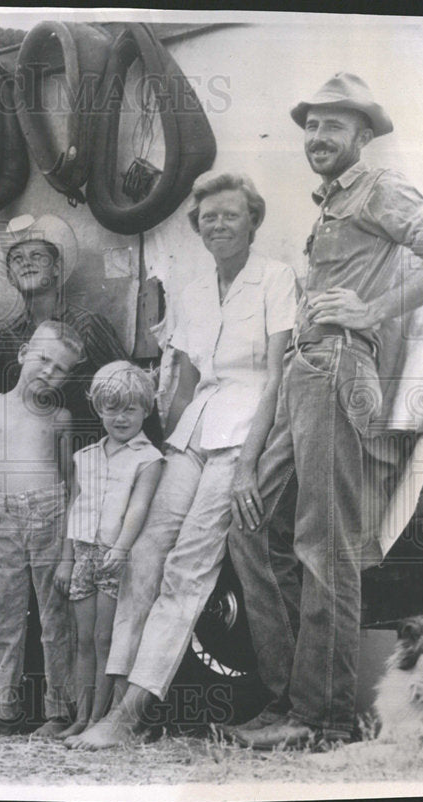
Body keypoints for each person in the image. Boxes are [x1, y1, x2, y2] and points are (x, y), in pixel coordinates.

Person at [226, 74, 423, 751]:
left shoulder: (380, 189)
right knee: (248, 527)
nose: (318, 137)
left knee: (325, 545)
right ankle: (287, 699)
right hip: (303, 372)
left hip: (337, 368)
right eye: (311, 125)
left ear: (363, 136)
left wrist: (372, 311)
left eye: (334, 125)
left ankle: (321, 718)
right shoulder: (331, 205)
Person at [70, 170, 296, 750]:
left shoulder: (275, 278)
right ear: (198, 228)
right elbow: (188, 379)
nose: (218, 224)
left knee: (186, 569)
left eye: (231, 214)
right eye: (209, 217)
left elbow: (275, 378)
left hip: (245, 432)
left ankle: (132, 715)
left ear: (253, 221)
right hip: (194, 430)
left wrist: (249, 464)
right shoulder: (195, 290)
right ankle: (115, 697)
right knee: (144, 553)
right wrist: (168, 442)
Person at [0, 321, 84, 737]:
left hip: (50, 514)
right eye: (44, 359)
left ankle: (60, 711)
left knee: (55, 619)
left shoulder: (61, 418)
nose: (50, 373)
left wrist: (69, 547)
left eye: (61, 369)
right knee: (4, 616)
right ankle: (0, 709)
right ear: (22, 354)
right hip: (5, 518)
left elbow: (72, 487)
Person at [53, 361, 164, 740]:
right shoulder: (85, 457)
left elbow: (138, 508)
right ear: (98, 409)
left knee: (106, 638)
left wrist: (120, 548)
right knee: (82, 639)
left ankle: (103, 717)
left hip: (115, 554)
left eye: (131, 408)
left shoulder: (148, 458)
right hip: (83, 552)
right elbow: (76, 506)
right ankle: (82, 717)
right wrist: (67, 559)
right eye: (112, 408)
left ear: (146, 410)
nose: (121, 417)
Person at [0, 214, 131, 442]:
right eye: (17, 259)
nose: (26, 262)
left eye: (36, 255)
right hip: (29, 453)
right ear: (10, 277)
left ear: (56, 268)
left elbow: (129, 387)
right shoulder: (8, 335)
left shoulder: (88, 325)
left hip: (88, 451)